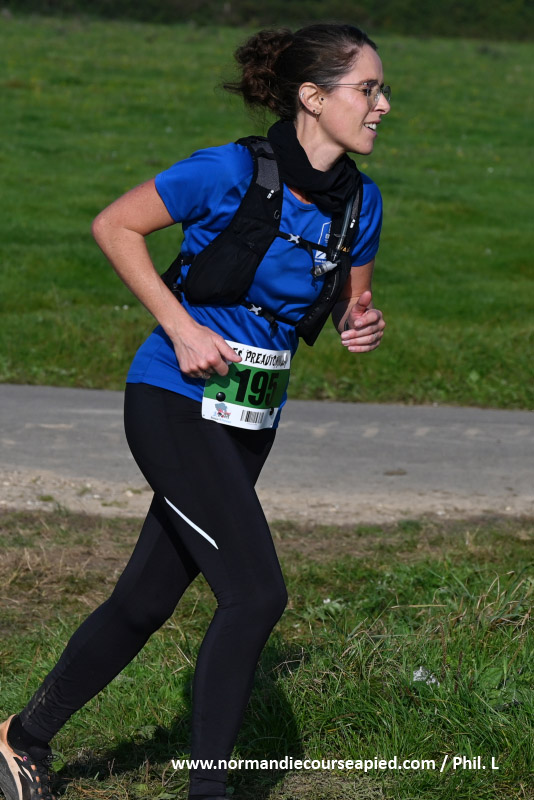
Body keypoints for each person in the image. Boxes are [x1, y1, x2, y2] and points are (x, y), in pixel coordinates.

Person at [0, 22, 389, 800]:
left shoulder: (362, 203)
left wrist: (361, 322)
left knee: (146, 599)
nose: (383, 105)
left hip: (250, 418)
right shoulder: (228, 170)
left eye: (383, 90)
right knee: (256, 594)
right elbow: (114, 225)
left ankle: (22, 739)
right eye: (368, 89)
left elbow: (356, 299)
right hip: (175, 401)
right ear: (314, 97)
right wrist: (180, 328)